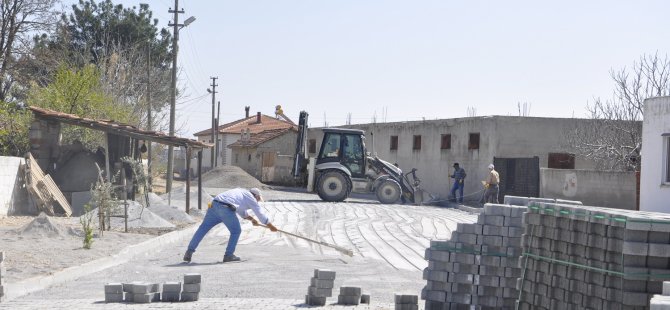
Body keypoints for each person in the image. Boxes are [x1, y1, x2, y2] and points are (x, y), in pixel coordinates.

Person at [183, 188, 278, 263]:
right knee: (236, 231)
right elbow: (259, 213)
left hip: (214, 205)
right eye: (258, 199)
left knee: (203, 228)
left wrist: (252, 220)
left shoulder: (240, 192)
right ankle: (229, 255)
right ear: (256, 196)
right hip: (225, 208)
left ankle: (189, 251)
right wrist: (270, 225)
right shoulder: (250, 197)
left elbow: (241, 211)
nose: (257, 201)